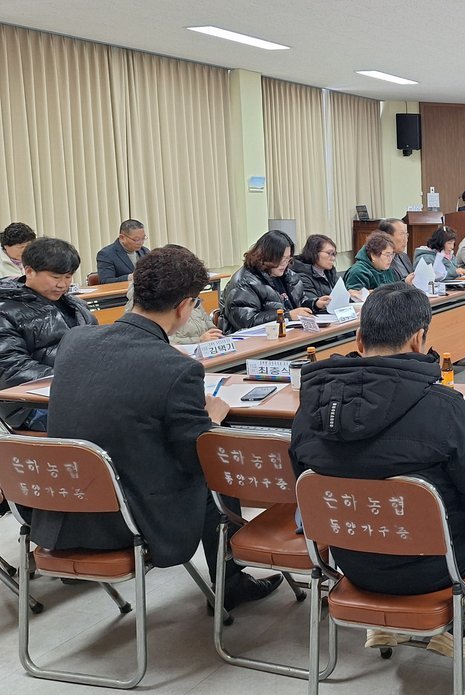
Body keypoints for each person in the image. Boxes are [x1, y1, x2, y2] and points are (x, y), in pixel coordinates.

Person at [33, 247, 282, 608]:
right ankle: (230, 584)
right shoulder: (177, 369)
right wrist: (211, 419)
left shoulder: (76, 341)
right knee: (215, 471)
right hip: (131, 522)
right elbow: (195, 455)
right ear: (184, 307)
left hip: (61, 511)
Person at [290, 282, 465, 657]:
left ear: (359, 339)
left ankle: (385, 624)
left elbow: (304, 492)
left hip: (352, 563)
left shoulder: (311, 409)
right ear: (418, 340)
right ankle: (464, 623)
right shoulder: (444, 406)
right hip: (434, 569)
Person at [0, 238, 96, 432]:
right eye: (55, 277)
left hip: (83, 392)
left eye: (68, 277)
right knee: (110, 420)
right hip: (30, 404)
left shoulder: (76, 305)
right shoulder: (5, 311)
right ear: (29, 271)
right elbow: (12, 369)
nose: (63, 284)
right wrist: (76, 380)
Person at [221, 230, 321, 331]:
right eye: (281, 258)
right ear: (266, 256)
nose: (284, 263)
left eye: (287, 259)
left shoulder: (289, 276)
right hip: (257, 338)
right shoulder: (244, 282)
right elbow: (247, 321)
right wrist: (286, 316)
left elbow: (297, 304)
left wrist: (315, 304)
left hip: (288, 332)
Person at [122, 245, 221, 344]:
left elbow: (206, 320)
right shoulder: (158, 302)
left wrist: (214, 333)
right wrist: (198, 340)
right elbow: (164, 339)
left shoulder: (191, 294)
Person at [291, 234, 340, 304]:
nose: (333, 258)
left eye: (334, 254)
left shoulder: (330, 272)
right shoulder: (302, 275)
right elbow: (312, 303)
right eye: (329, 253)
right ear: (314, 253)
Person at [96, 219, 150, 283]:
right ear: (122, 238)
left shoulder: (145, 251)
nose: (141, 242)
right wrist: (129, 277)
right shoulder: (106, 254)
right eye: (136, 239)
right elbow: (105, 281)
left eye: (143, 238)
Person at [377, 218, 417, 282]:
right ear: (387, 237)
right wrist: (405, 283)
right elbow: (386, 286)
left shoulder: (403, 256)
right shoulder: (379, 260)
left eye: (406, 235)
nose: (406, 240)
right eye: (402, 234)